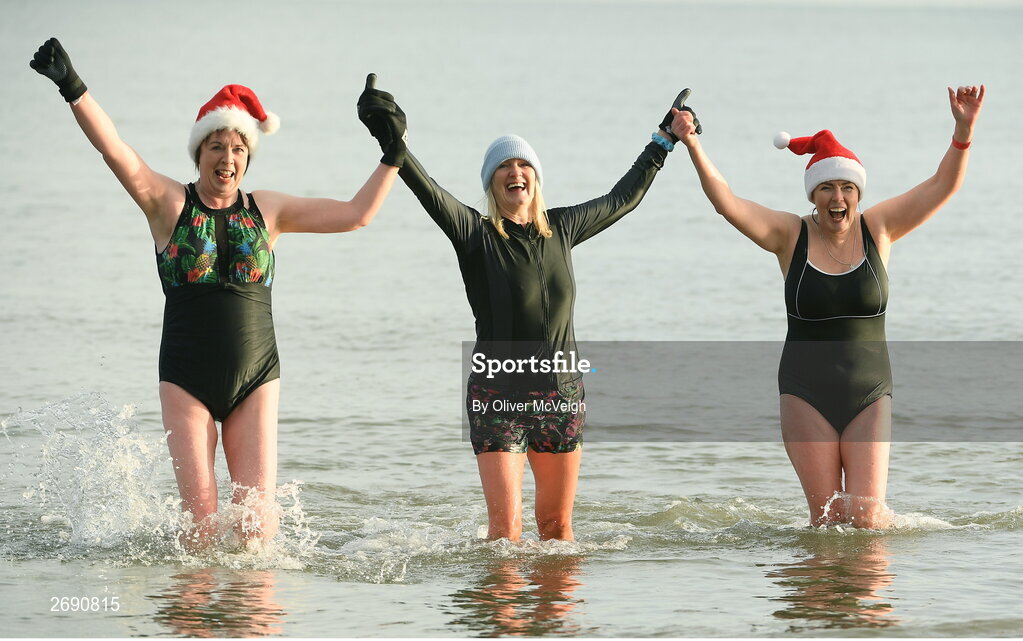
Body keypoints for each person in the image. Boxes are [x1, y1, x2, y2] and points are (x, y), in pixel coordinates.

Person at [30, 38, 401, 549]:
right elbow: (113, 149)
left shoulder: (267, 210)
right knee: (200, 531)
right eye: (217, 147)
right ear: (199, 152)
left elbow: (356, 214)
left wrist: (393, 154)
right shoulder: (167, 204)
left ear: (248, 156)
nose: (228, 159)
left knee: (258, 528)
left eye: (238, 148)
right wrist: (73, 88)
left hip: (256, 377)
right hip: (187, 380)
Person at [356, 79, 696, 541]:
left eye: (523, 164)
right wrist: (392, 142)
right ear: (491, 183)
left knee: (557, 528)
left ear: (535, 178)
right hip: (499, 398)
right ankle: (502, 611)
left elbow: (623, 198)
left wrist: (663, 141)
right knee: (506, 531)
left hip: (561, 396)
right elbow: (429, 190)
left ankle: (555, 615)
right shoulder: (475, 235)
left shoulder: (563, 227)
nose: (514, 171)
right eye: (503, 166)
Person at [668, 85, 985, 528]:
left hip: (869, 394)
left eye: (847, 189)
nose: (838, 199)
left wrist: (963, 130)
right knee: (828, 522)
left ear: (858, 193)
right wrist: (693, 144)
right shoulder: (789, 236)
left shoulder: (880, 229)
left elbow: (941, 185)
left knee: (869, 522)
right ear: (813, 196)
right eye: (828, 189)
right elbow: (729, 203)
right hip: (805, 393)